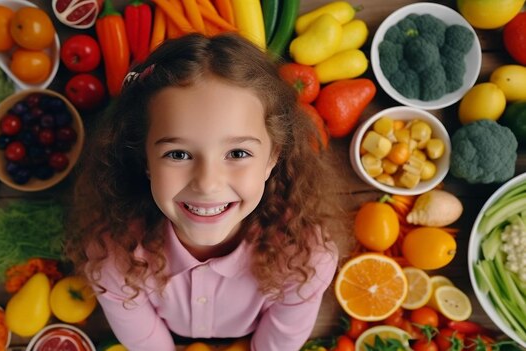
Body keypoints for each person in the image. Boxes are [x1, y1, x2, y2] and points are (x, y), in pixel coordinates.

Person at [66, 33, 351, 351]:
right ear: (144, 158)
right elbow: (144, 341)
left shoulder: (305, 257)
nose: (207, 183)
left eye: (238, 154)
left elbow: (279, 343)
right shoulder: (112, 254)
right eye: (178, 154)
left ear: (273, 157)